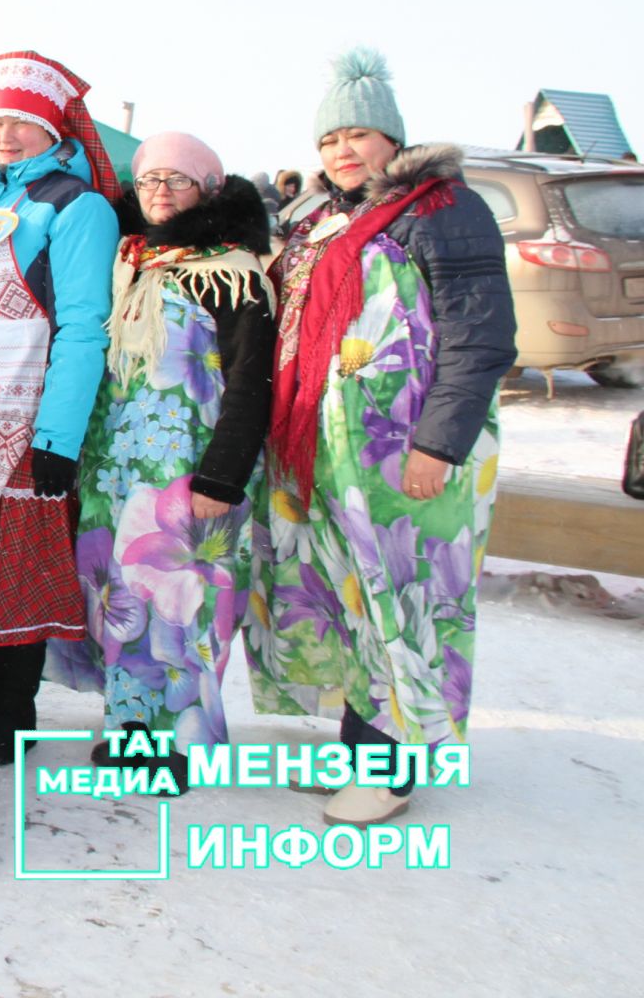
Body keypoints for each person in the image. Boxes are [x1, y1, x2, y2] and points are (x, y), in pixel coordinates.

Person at [246, 48, 513, 826]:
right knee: (348, 597)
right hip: (329, 451)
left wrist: (440, 443)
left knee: (406, 599)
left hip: (405, 448)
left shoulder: (443, 209)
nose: (342, 151)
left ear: (393, 140)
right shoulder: (328, 217)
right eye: (330, 140)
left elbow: (481, 335)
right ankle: (360, 748)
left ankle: (389, 768)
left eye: (359, 134)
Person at [45, 132, 274, 789]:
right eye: (151, 181)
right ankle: (129, 729)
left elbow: (251, 380)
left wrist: (222, 475)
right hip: (114, 470)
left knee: (187, 605)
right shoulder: (124, 260)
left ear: (207, 189)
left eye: (179, 180)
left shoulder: (232, 269)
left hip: (191, 473)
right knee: (122, 599)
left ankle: (183, 742)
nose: (163, 192)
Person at [0, 51, 121, 765]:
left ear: (50, 129)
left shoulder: (76, 205)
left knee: (15, 574)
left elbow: (83, 326)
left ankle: (12, 713)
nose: (4, 136)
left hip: (25, 418)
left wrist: (58, 437)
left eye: (21, 124)